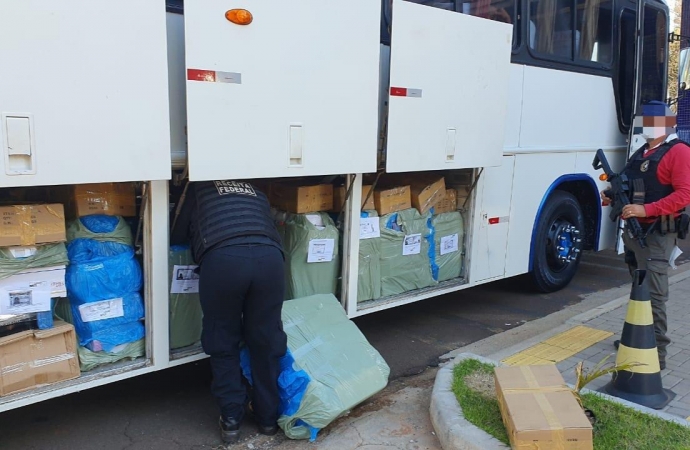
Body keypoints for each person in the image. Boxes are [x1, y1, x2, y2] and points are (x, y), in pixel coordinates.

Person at [170, 180, 287, 444]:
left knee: (222, 338)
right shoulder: (255, 188)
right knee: (266, 338)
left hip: (223, 259)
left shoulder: (197, 188)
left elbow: (176, 234)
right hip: (270, 258)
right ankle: (268, 418)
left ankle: (231, 418)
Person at [601, 101, 690, 370]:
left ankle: (657, 354)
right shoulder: (644, 151)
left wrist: (645, 208)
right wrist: (612, 195)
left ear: (667, 123)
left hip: (657, 234)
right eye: (646, 121)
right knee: (638, 290)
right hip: (635, 234)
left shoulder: (679, 153)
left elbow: (684, 194)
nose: (648, 126)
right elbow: (633, 184)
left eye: (653, 121)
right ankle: (636, 339)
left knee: (654, 294)